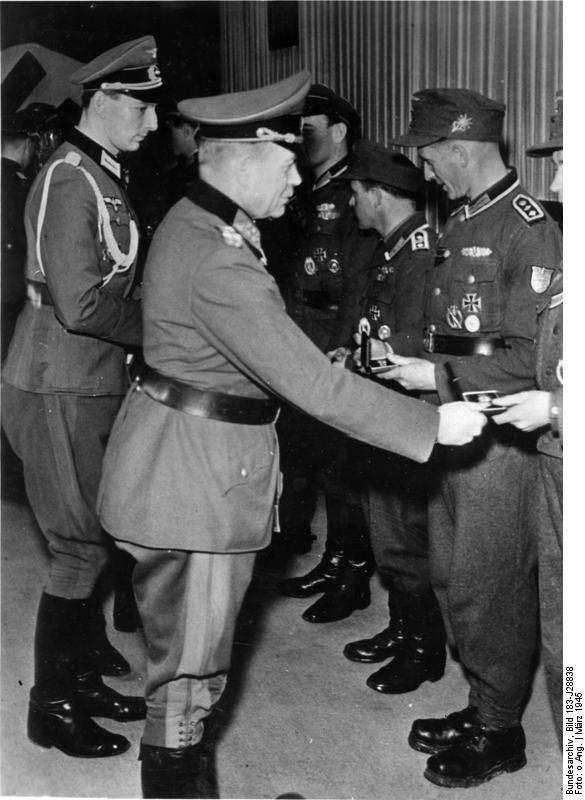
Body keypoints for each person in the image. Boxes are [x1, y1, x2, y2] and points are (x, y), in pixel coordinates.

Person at [96, 71, 487, 798]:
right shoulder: (218, 259)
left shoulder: (194, 222)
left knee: (186, 672)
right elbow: (311, 384)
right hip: (196, 489)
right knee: (186, 685)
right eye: (285, 162)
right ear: (240, 156)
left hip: (180, 464)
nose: (297, 182)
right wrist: (433, 423)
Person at [373, 88, 563, 788]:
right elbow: (452, 322)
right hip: (456, 420)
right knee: (454, 575)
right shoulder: (457, 220)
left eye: (428, 158)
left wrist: (438, 373)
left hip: (500, 434)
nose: (425, 173)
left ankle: (498, 730)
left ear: (458, 147)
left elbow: (531, 358)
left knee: (489, 585)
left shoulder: (526, 228)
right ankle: (485, 701)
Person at [1, 35, 163, 759]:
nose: (152, 124)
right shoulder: (72, 178)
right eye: (143, 107)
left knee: (93, 540)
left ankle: (79, 674)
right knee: (75, 550)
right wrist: (165, 328)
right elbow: (80, 304)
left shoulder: (97, 171)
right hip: (56, 382)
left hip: (83, 379)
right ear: (104, 100)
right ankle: (51, 706)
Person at [328, 139, 447, 695]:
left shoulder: (420, 253)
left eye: (356, 193)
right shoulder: (396, 248)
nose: (353, 205)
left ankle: (424, 650)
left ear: (378, 194)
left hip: (406, 411)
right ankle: (403, 628)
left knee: (404, 535)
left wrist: (358, 361)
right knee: (388, 529)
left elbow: (414, 343)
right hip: (384, 405)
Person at [275, 83, 380, 624]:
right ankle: (335, 558)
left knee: (343, 463)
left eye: (308, 131)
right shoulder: (310, 190)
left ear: (339, 133)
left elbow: (357, 284)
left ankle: (354, 572)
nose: (299, 140)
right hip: (303, 331)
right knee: (318, 458)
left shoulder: (351, 194)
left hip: (330, 338)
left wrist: (341, 347)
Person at [493, 89, 563, 743]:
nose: (560, 181)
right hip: (557, 461)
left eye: (573, 160)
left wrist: (557, 405)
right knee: (560, 617)